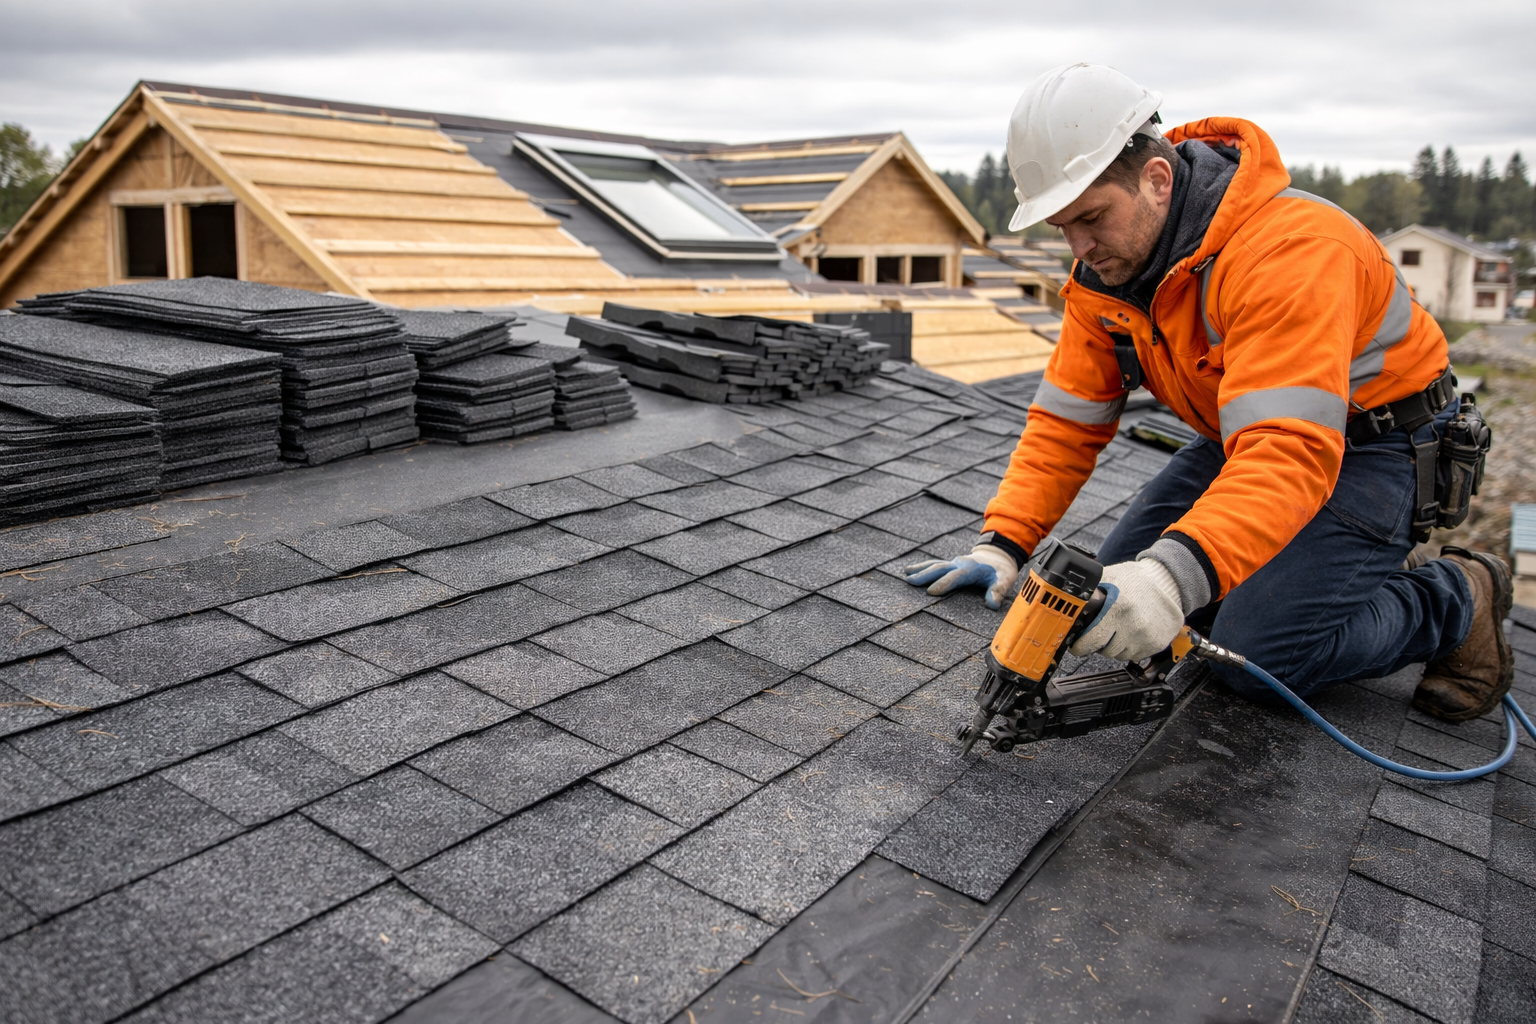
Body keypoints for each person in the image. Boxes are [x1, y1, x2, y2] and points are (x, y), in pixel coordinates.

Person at [905, 63, 1512, 721]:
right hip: (1245, 440)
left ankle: (1457, 598)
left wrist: (1171, 577)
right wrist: (1004, 542)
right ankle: (1320, 572)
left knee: (1255, 656)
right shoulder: (1106, 279)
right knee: (1107, 598)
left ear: (1156, 179)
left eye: (1092, 217)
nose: (1081, 246)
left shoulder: (1292, 251)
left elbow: (1289, 449)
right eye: (1061, 227)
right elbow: (1066, 423)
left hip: (1378, 446)